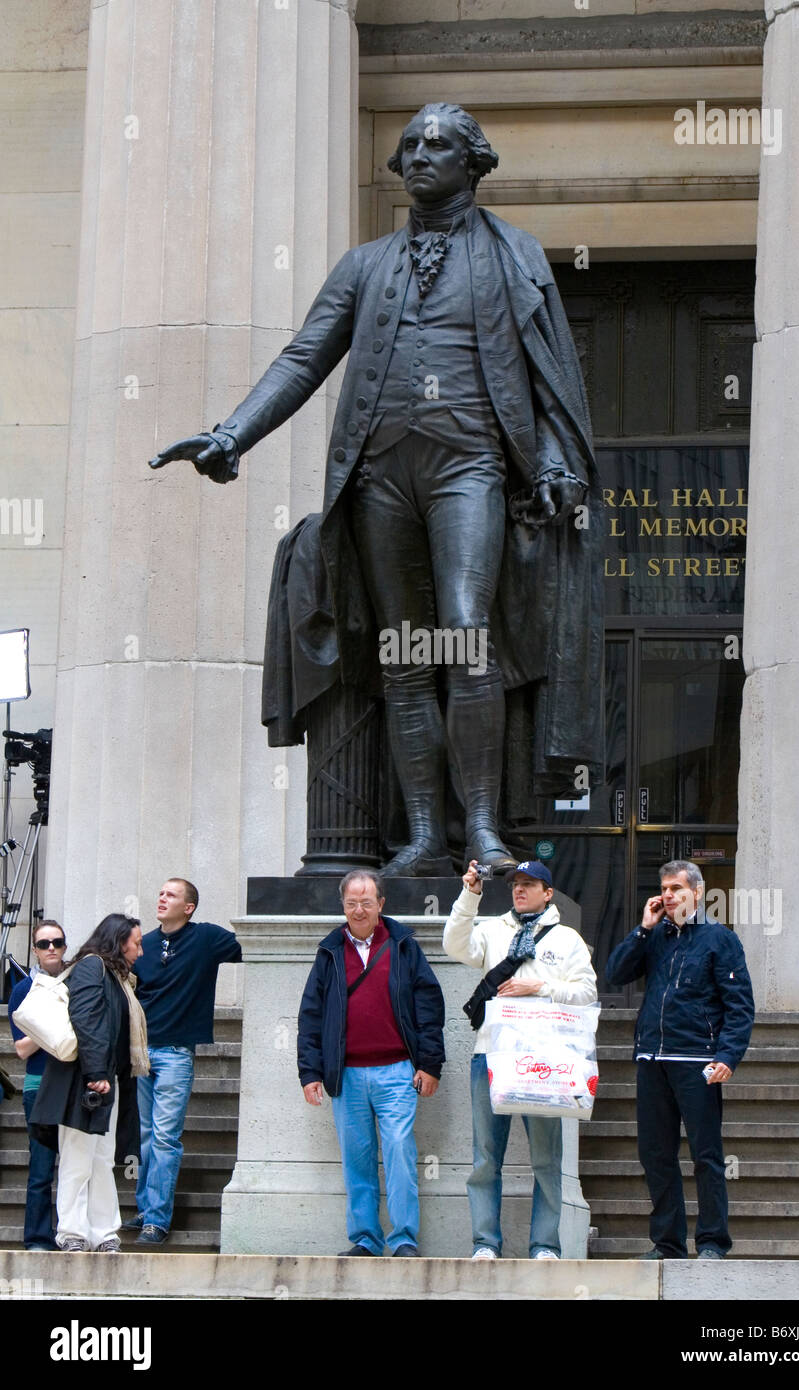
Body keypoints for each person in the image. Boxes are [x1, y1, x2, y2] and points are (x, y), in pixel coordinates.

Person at [149, 101, 603, 877]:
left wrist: (558, 461)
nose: (422, 155)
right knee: (403, 655)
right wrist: (232, 434)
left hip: (471, 467)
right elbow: (303, 358)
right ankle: (426, 835)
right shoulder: (363, 266)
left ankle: (485, 830)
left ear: (473, 163)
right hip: (380, 476)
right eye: (411, 145)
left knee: (463, 629)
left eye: (440, 145)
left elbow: (551, 374)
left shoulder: (515, 255)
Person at [443, 858, 597, 1259]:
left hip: (546, 1062)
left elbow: (587, 994)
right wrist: (469, 894)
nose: (519, 889)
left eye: (530, 884)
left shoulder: (567, 939)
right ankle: (485, 1243)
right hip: (492, 1055)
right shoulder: (493, 930)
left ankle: (545, 1245)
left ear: (548, 893)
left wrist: (541, 987)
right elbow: (455, 946)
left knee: (547, 1160)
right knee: (484, 1158)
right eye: (515, 883)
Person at [606, 860, 755, 1260]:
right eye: (664, 889)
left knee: (706, 1154)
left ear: (697, 892)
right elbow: (616, 973)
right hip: (652, 1059)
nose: (669, 896)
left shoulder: (720, 940)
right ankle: (667, 1244)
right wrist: (643, 928)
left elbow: (739, 1007)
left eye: (677, 889)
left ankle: (711, 1242)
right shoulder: (654, 937)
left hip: (697, 1060)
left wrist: (728, 1055)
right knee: (655, 1154)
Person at [297, 869, 445, 1256]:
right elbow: (311, 1016)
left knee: (399, 1150)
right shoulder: (329, 951)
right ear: (342, 905)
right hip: (346, 1075)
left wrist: (430, 1064)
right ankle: (365, 1239)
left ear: (381, 903)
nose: (358, 910)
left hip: (398, 1071)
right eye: (351, 903)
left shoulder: (403, 945)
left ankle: (404, 1239)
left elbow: (429, 1007)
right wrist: (310, 1071)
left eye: (366, 902)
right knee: (357, 1160)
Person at [124, 877, 242, 1246]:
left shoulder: (206, 938)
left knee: (164, 1137)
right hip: (141, 1051)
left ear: (188, 907)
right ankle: (145, 1208)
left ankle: (157, 1220)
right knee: (145, 1136)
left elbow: (254, 946)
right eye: (160, 893)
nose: (162, 898)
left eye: (171, 895)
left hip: (176, 1053)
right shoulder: (144, 943)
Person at [29, 914, 148, 1252]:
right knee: (78, 1158)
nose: (140, 951)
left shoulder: (115, 976)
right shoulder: (91, 967)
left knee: (100, 1158)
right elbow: (86, 1018)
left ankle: (103, 1233)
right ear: (119, 940)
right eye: (136, 943)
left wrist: (104, 1075)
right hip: (84, 1082)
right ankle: (72, 1234)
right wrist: (96, 1074)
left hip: (104, 1080)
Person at [7, 920, 67, 1250]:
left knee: (76, 1168)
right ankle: (38, 1239)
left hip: (72, 1084)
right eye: (44, 944)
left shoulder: (77, 984)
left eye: (57, 942)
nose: (51, 948)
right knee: (41, 1168)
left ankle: (71, 1234)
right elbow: (22, 1049)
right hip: (38, 1086)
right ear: (34, 950)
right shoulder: (22, 990)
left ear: (65, 946)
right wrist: (53, 1022)